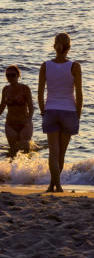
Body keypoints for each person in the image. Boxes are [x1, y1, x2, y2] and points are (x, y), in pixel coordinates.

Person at [37, 33, 83, 193]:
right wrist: (78, 114)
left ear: (54, 46)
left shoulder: (45, 66)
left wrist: (43, 111)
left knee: (53, 152)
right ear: (69, 47)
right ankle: (57, 186)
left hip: (51, 110)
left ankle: (53, 185)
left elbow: (40, 93)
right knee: (61, 153)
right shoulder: (74, 66)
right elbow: (79, 94)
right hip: (69, 111)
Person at [0, 65, 34, 156]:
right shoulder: (5, 89)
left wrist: (29, 121)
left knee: (25, 151)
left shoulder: (25, 88)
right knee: (13, 151)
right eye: (8, 75)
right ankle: (12, 170)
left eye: (13, 75)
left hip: (24, 123)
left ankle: (26, 170)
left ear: (18, 75)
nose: (10, 77)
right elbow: (2, 106)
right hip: (10, 124)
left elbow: (31, 107)